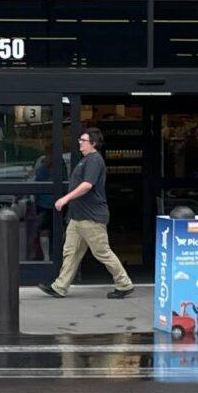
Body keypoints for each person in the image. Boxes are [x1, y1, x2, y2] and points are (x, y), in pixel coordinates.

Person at [44, 127, 134, 299]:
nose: (80, 143)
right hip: (78, 217)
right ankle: (59, 286)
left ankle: (124, 284)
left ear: (93, 143)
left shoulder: (94, 160)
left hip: (91, 218)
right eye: (80, 140)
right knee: (71, 252)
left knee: (102, 252)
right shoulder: (84, 160)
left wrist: (65, 199)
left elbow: (87, 185)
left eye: (83, 140)